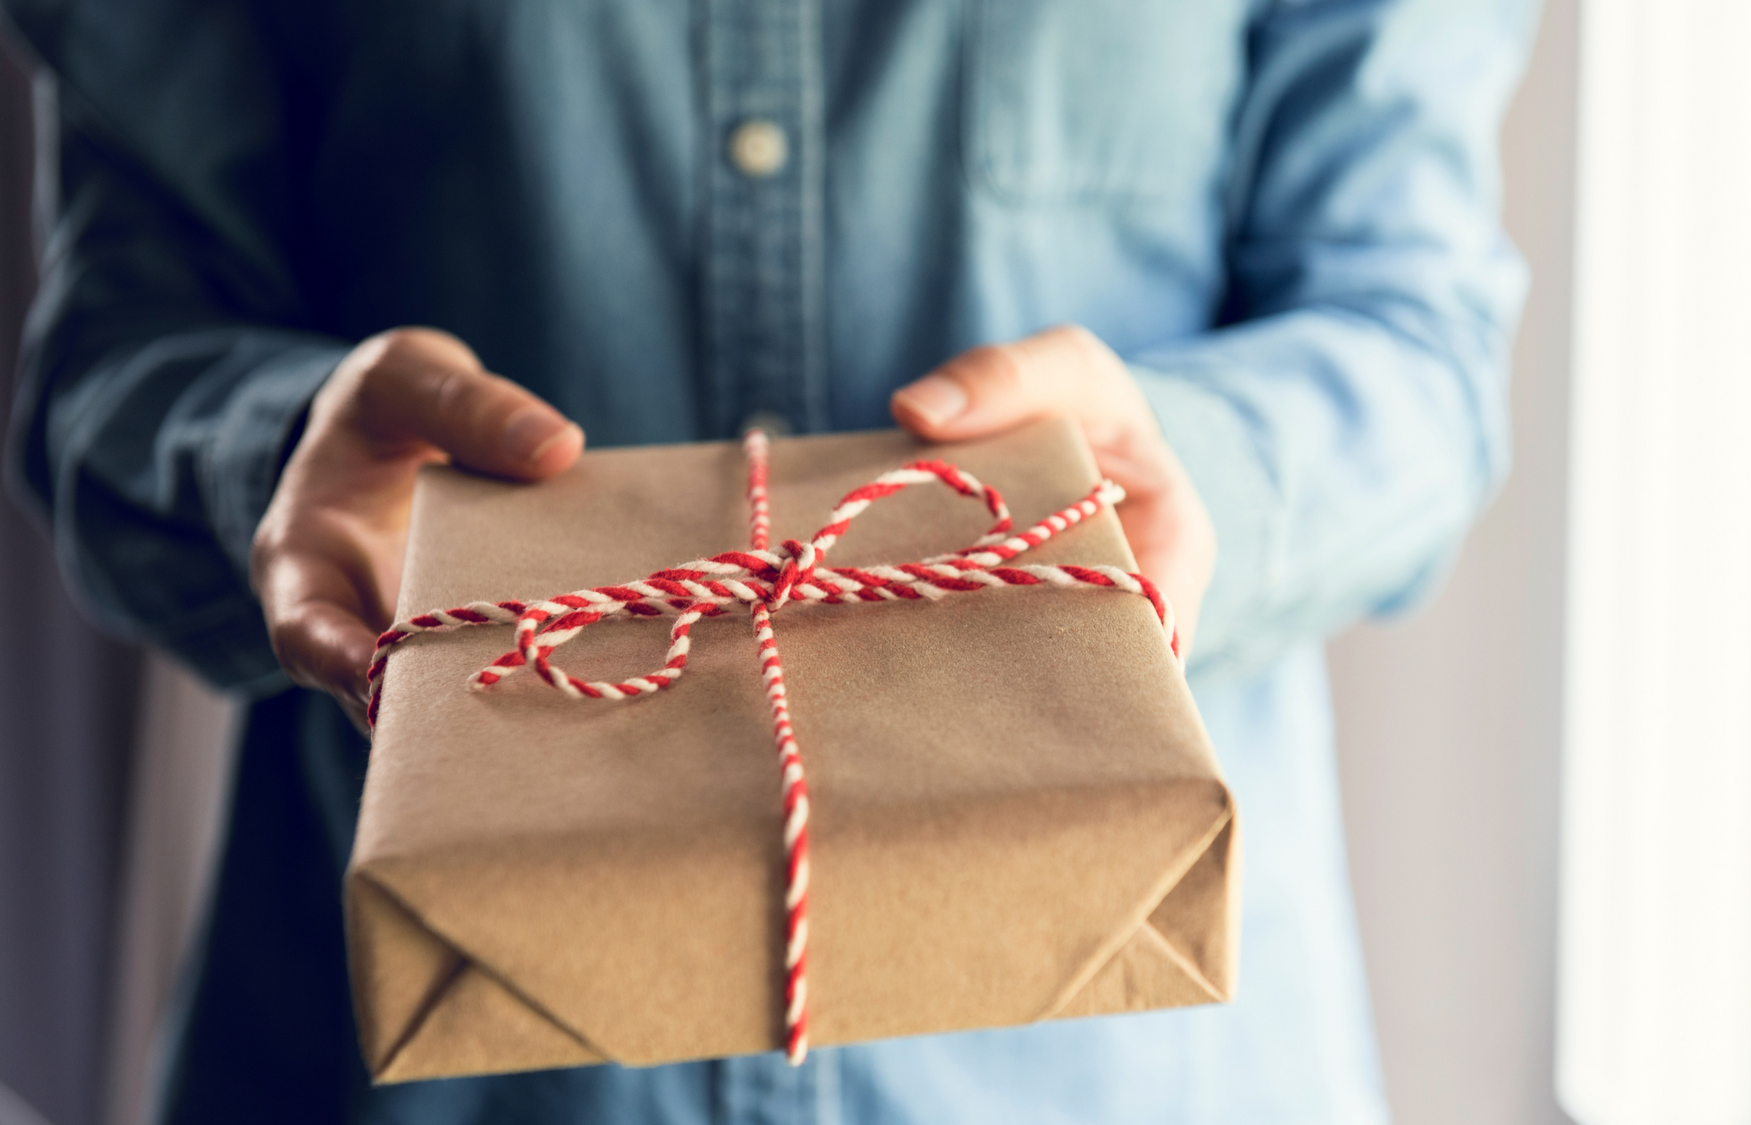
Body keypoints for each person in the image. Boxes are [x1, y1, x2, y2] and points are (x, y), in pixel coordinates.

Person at [3, 0, 1534, 1121]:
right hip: (415, 1063)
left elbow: (1418, 343)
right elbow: (111, 362)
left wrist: (1187, 465)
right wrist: (271, 450)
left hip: (1116, 1064)